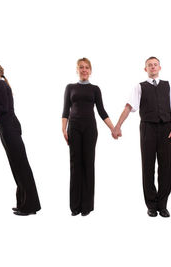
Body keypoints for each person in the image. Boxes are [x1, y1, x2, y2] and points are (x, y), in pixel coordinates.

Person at [113, 57, 171, 218]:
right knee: (148, 167)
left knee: (166, 167)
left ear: (160, 67)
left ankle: (163, 204)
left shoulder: (169, 85)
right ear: (145, 69)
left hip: (166, 128)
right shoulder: (139, 87)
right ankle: (151, 205)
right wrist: (117, 126)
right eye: (149, 65)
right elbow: (129, 107)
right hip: (147, 128)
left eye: (155, 64)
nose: (152, 67)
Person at [0, 62, 41, 216]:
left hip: (10, 130)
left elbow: (2, 108)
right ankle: (24, 203)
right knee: (17, 167)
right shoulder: (0, 86)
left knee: (21, 166)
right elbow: (1, 109)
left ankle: (29, 206)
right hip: (6, 130)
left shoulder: (1, 85)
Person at [61, 58, 116, 216]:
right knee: (75, 165)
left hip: (90, 129)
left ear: (90, 71)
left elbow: (101, 111)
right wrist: (63, 129)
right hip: (74, 129)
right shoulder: (70, 87)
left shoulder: (95, 89)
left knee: (88, 165)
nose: (84, 70)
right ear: (77, 70)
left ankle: (86, 206)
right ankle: (75, 206)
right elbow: (65, 110)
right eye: (81, 67)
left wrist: (113, 128)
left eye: (87, 68)